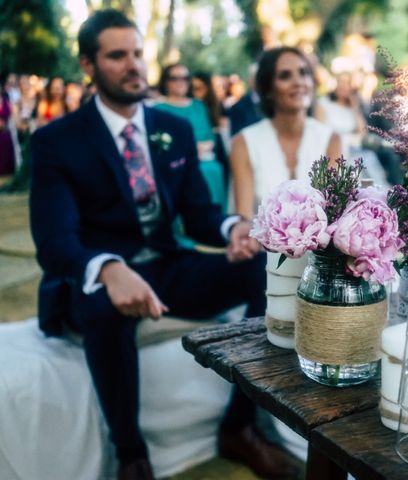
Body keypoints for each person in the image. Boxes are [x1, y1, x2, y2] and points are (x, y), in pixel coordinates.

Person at [29, 10, 298, 480]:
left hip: (167, 267)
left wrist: (232, 229)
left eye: (137, 53)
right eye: (117, 56)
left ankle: (239, 427)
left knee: (266, 271)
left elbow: (199, 215)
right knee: (105, 302)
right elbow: (54, 243)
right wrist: (108, 268)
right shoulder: (57, 141)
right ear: (88, 65)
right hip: (94, 279)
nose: (134, 65)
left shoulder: (172, 130)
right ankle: (131, 455)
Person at [230, 46, 341, 219]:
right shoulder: (244, 142)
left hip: (321, 245)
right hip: (259, 244)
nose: (298, 82)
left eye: (304, 73)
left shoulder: (331, 140)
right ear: (267, 89)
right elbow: (244, 217)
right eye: (285, 76)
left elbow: (335, 213)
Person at [155, 64, 227, 210]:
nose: (180, 82)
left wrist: (195, 148)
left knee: (214, 169)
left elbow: (210, 139)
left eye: (185, 78)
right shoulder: (158, 109)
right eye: (174, 78)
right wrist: (192, 150)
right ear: (166, 82)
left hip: (206, 162)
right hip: (175, 165)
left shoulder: (199, 106)